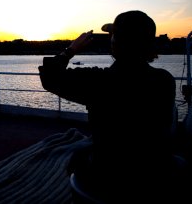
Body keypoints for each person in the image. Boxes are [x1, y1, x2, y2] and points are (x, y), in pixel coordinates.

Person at [38, 10, 182, 202]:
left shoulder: (100, 82)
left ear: (116, 43)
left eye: (113, 36)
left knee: (77, 156)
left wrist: (71, 49)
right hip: (154, 175)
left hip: (109, 177)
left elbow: (50, 77)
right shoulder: (164, 80)